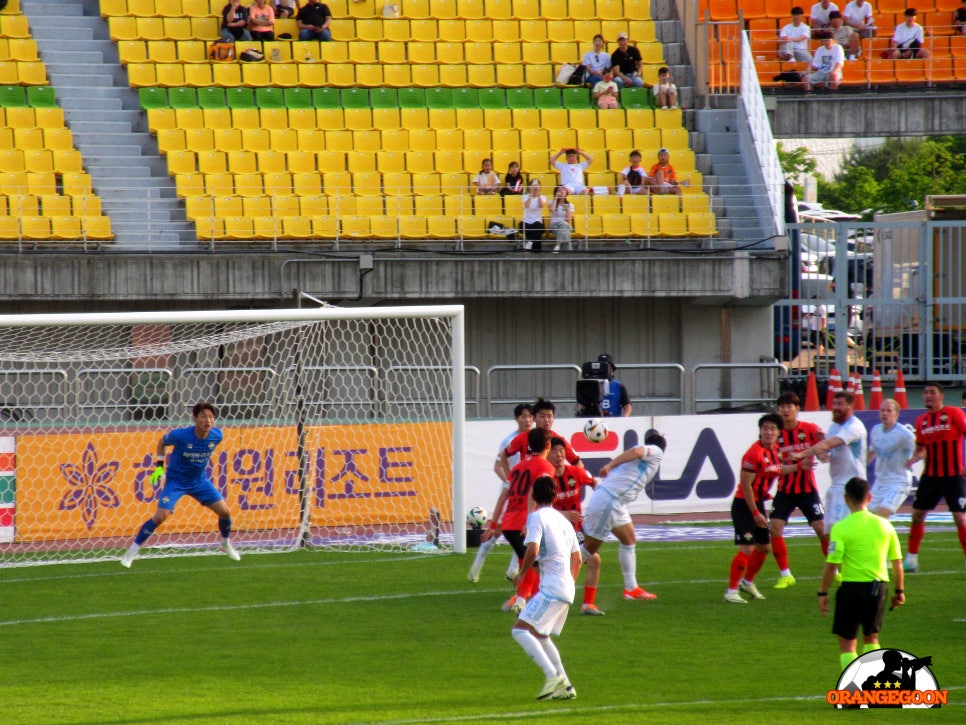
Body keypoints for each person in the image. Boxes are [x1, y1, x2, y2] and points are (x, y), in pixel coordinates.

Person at [121, 402, 240, 568]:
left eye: (211, 417)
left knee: (225, 511)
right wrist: (159, 469)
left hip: (199, 481)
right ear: (195, 418)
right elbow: (161, 443)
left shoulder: (217, 436)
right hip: (176, 481)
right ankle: (131, 552)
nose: (208, 420)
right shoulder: (181, 435)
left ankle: (225, 543)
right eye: (204, 416)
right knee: (160, 516)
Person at [818, 477, 904, 672]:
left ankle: (853, 691)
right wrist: (899, 591)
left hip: (851, 588)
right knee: (871, 637)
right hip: (878, 588)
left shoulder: (841, 527)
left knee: (848, 644)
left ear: (846, 498)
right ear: (870, 497)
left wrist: (822, 593)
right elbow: (897, 563)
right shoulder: (885, 525)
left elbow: (832, 565)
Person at [511, 474, 581, 701]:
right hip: (566, 587)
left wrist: (521, 575)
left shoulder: (536, 517)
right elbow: (578, 559)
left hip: (553, 588)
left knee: (519, 630)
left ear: (533, 496)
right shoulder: (564, 521)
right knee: (540, 634)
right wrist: (568, 582)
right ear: (555, 496)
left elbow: (532, 550)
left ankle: (553, 677)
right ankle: (566, 686)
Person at [581, 428, 667, 601]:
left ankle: (631, 588)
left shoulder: (636, 459)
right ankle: (549, 570)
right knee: (588, 550)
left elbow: (635, 453)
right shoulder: (655, 452)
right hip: (609, 502)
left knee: (629, 540)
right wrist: (610, 465)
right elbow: (636, 451)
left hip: (616, 503)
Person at [486, 427, 556, 613]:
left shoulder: (517, 468)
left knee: (526, 560)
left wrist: (494, 525)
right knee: (536, 561)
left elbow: (503, 497)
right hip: (525, 521)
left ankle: (527, 599)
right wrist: (530, 520)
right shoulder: (546, 467)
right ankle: (522, 601)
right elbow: (535, 492)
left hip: (509, 523)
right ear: (548, 445)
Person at [902, 381, 966, 573]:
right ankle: (912, 560)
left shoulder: (954, 413)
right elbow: (921, 447)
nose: (927, 395)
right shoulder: (921, 421)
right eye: (925, 392)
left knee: (960, 518)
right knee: (917, 515)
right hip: (930, 476)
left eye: (931, 392)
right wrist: (915, 458)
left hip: (953, 475)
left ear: (941, 396)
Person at [468, 403, 534, 584]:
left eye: (530, 416)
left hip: (530, 493)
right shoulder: (509, 441)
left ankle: (513, 571)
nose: (527, 420)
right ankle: (477, 565)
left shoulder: (537, 439)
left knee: (526, 531)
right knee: (498, 531)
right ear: (516, 419)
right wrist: (510, 482)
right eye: (523, 416)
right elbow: (497, 466)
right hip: (512, 492)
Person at [770, 392, 827, 590]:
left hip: (807, 489)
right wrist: (797, 467)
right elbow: (775, 467)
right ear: (778, 410)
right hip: (785, 489)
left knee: (821, 529)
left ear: (797, 409)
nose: (786, 410)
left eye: (790, 406)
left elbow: (824, 452)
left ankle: (836, 572)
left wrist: (823, 445)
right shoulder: (774, 436)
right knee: (775, 527)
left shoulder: (810, 429)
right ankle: (786, 575)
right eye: (782, 406)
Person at [792, 391, 868, 536]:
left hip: (851, 486)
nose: (835, 407)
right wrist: (820, 450)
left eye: (840, 404)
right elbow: (826, 457)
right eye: (834, 404)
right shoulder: (834, 427)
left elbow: (830, 443)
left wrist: (802, 454)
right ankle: (835, 559)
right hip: (836, 486)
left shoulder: (854, 426)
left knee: (842, 533)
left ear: (851, 406)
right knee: (828, 533)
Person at [725, 413, 783, 603]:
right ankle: (731, 592)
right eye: (765, 428)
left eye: (773, 429)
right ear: (760, 431)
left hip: (757, 502)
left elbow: (778, 470)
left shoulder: (775, 450)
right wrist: (756, 512)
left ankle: (747, 582)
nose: (768, 432)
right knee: (748, 548)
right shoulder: (754, 453)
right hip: (744, 504)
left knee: (764, 547)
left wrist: (800, 466)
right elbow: (746, 485)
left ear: (778, 432)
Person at [548, 437, 604, 615]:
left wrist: (600, 502)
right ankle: (525, 598)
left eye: (561, 450)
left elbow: (596, 484)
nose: (559, 454)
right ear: (547, 454)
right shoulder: (545, 478)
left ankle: (588, 604)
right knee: (547, 568)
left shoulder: (576, 472)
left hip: (575, 531)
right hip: (553, 531)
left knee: (594, 560)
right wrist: (563, 515)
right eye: (554, 451)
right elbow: (538, 508)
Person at [866, 399, 916, 519]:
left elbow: (921, 449)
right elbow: (872, 451)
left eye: (889, 411)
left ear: (896, 414)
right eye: (882, 410)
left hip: (898, 481)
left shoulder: (905, 434)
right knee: (868, 516)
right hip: (880, 481)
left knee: (882, 513)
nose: (885, 413)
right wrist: (859, 466)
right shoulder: (876, 430)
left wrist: (914, 459)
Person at [577, 353, 631, 417]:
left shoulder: (619, 386)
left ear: (612, 370)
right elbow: (582, 405)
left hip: (614, 421)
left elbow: (627, 405)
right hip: (595, 421)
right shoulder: (589, 385)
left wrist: (624, 418)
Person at [547, 185, 574, 253]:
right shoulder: (551, 202)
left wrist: (567, 210)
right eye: (559, 190)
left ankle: (558, 245)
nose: (561, 192)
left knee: (564, 225)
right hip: (554, 225)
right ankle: (569, 253)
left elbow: (568, 220)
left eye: (563, 190)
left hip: (565, 225)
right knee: (565, 232)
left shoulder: (569, 205)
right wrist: (556, 198)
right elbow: (551, 210)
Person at [521, 178, 547, 251]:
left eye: (537, 185)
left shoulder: (542, 197)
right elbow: (527, 206)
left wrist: (538, 195)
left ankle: (530, 242)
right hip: (526, 221)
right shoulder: (525, 196)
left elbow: (541, 205)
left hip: (537, 221)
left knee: (539, 227)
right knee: (534, 232)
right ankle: (535, 250)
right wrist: (531, 194)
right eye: (533, 185)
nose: (535, 187)